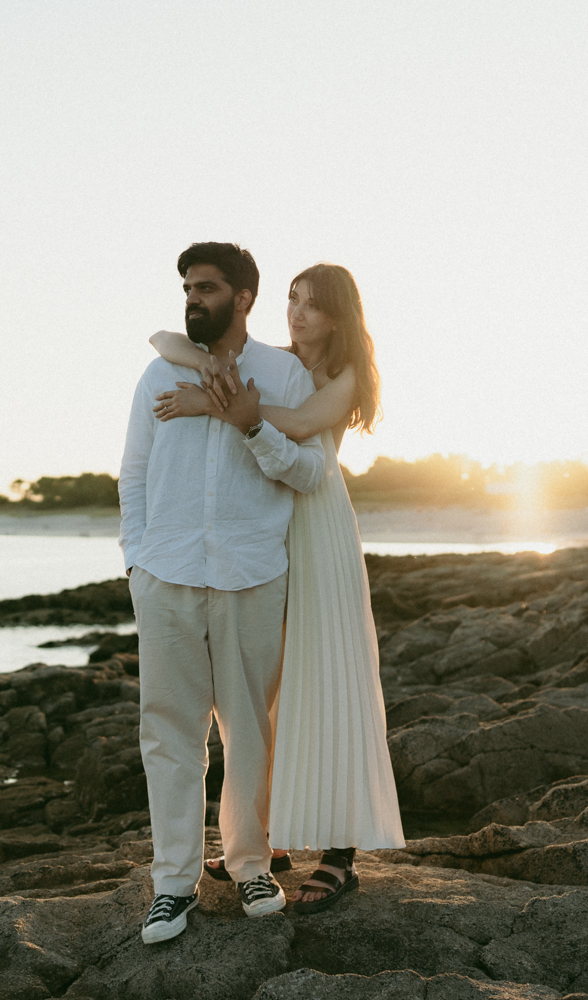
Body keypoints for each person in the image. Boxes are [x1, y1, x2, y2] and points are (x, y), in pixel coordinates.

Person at [149, 262, 405, 914]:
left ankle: (341, 855)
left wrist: (213, 402)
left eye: (312, 305)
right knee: (270, 694)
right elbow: (176, 346)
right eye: (291, 299)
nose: (296, 314)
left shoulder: (343, 379)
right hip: (271, 530)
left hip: (320, 532)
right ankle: (269, 838)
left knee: (328, 680)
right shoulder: (278, 362)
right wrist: (194, 361)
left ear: (337, 316)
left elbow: (291, 425)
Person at [120, 242, 325, 944]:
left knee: (250, 733)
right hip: (167, 574)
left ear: (243, 299)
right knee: (169, 734)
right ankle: (173, 884)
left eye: (206, 288)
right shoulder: (159, 371)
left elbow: (309, 473)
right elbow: (134, 476)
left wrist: (252, 425)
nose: (192, 298)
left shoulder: (286, 374)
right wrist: (135, 565)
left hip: (251, 574)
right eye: (186, 287)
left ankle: (250, 865)